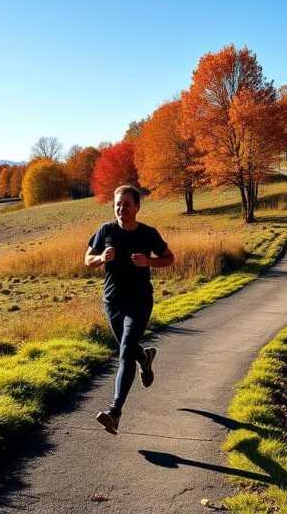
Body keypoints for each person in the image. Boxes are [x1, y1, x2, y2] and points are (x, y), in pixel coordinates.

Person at [85, 184, 174, 434]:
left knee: (124, 351)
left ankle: (115, 412)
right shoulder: (105, 231)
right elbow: (87, 259)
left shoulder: (148, 234)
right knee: (129, 347)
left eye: (126, 204)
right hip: (112, 301)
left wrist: (150, 262)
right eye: (117, 204)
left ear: (137, 207)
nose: (120, 208)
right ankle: (145, 359)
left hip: (140, 301)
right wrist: (101, 258)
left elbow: (170, 257)